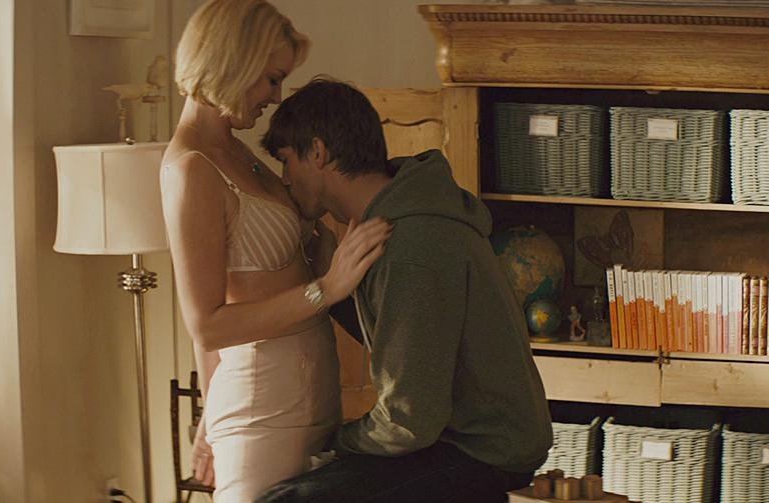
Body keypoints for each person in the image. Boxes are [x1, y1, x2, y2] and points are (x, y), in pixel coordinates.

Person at [256, 77, 554, 503]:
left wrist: (334, 442)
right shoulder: (397, 218)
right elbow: (406, 340)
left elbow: (410, 421)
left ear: (318, 152)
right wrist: (330, 275)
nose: (285, 179)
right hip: (463, 439)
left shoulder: (410, 244)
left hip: (482, 450)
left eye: (287, 161)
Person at [159, 3, 391, 502]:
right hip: (261, 410)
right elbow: (207, 325)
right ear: (233, 61)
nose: (276, 96)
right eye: (271, 79)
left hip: (314, 398)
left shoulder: (238, 152)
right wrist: (326, 289)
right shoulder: (191, 169)